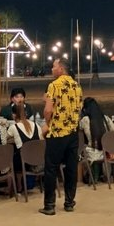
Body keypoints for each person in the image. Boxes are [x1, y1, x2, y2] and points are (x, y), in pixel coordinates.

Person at [39, 57, 83, 216]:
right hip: (72, 132)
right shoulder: (77, 86)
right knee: (71, 168)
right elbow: (79, 108)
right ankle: (69, 202)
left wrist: (48, 123)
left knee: (51, 168)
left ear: (61, 69)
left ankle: (49, 205)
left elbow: (48, 110)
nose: (52, 69)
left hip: (57, 133)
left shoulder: (54, 85)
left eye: (54, 66)